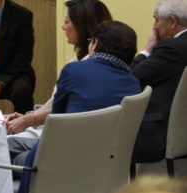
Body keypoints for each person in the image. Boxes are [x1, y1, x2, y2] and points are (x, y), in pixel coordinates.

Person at [19, 20, 141, 192]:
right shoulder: (133, 85)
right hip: (107, 166)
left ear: (96, 44)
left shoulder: (74, 70)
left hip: (59, 162)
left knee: (13, 155)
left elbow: (56, 122)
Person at [6, 0, 112, 164]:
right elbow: (56, 104)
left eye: (67, 22)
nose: (63, 27)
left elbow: (64, 109)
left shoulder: (84, 69)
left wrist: (28, 120)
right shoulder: (86, 63)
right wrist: (29, 115)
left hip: (62, 139)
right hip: (73, 139)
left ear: (83, 27)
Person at [131, 0, 187, 163]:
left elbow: (131, 78)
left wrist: (147, 49)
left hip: (157, 136)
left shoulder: (171, 49)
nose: (154, 27)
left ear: (172, 21)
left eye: (156, 20)